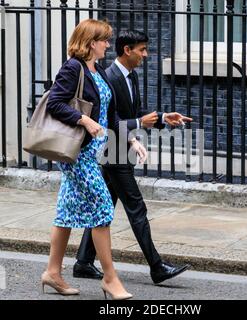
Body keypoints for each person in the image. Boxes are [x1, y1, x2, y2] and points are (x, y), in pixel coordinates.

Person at [73, 30, 193, 284]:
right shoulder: (107, 77)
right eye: (142, 50)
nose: (146, 55)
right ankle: (157, 266)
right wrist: (135, 130)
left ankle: (83, 262)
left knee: (104, 206)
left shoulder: (131, 76)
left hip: (121, 148)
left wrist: (162, 118)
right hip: (112, 151)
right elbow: (108, 119)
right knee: (136, 207)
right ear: (127, 50)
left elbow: (134, 112)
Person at [42, 19, 133, 300]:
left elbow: (110, 114)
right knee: (103, 208)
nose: (108, 44)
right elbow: (55, 102)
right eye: (104, 39)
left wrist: (131, 138)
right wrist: (83, 120)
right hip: (78, 153)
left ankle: (52, 273)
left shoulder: (99, 71)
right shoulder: (73, 68)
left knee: (67, 211)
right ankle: (110, 278)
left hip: (94, 151)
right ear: (91, 42)